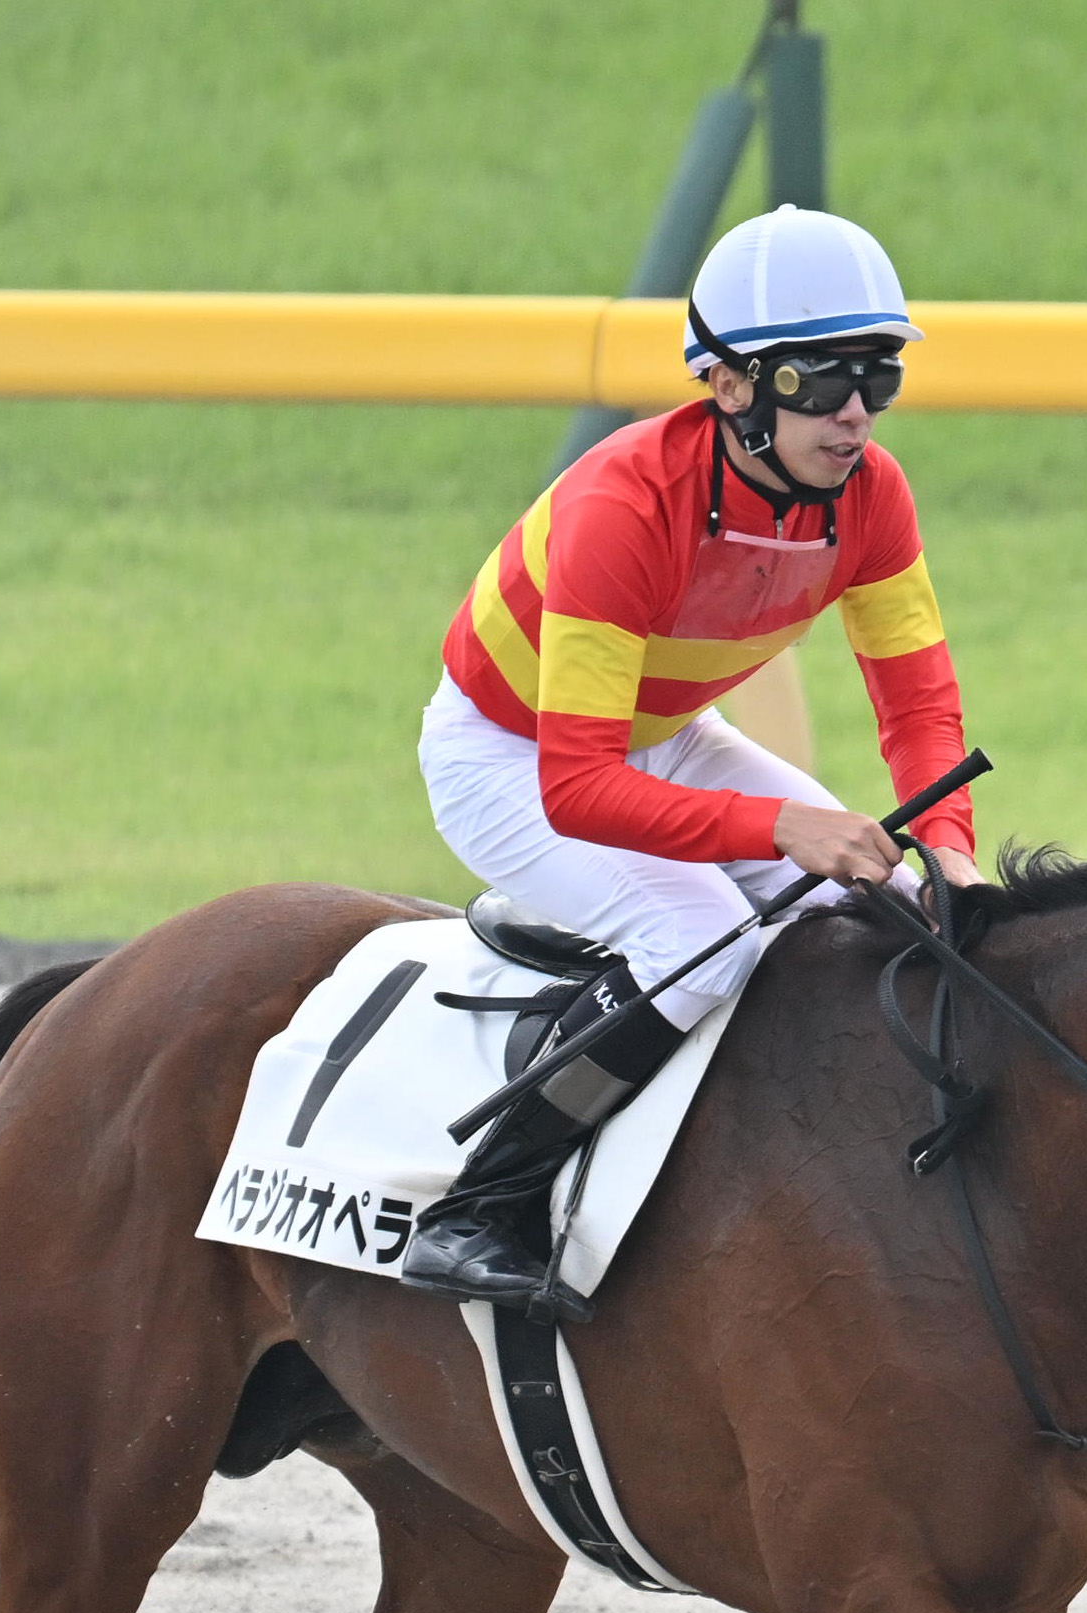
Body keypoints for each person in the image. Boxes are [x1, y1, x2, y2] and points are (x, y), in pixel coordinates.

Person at [402, 204, 980, 1318]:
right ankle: (482, 1205)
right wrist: (783, 832)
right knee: (696, 934)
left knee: (898, 907)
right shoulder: (623, 507)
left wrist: (946, 852)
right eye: (818, 378)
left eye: (878, 375)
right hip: (508, 758)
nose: (855, 412)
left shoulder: (874, 495)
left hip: (665, 736)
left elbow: (915, 703)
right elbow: (576, 786)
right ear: (728, 387)